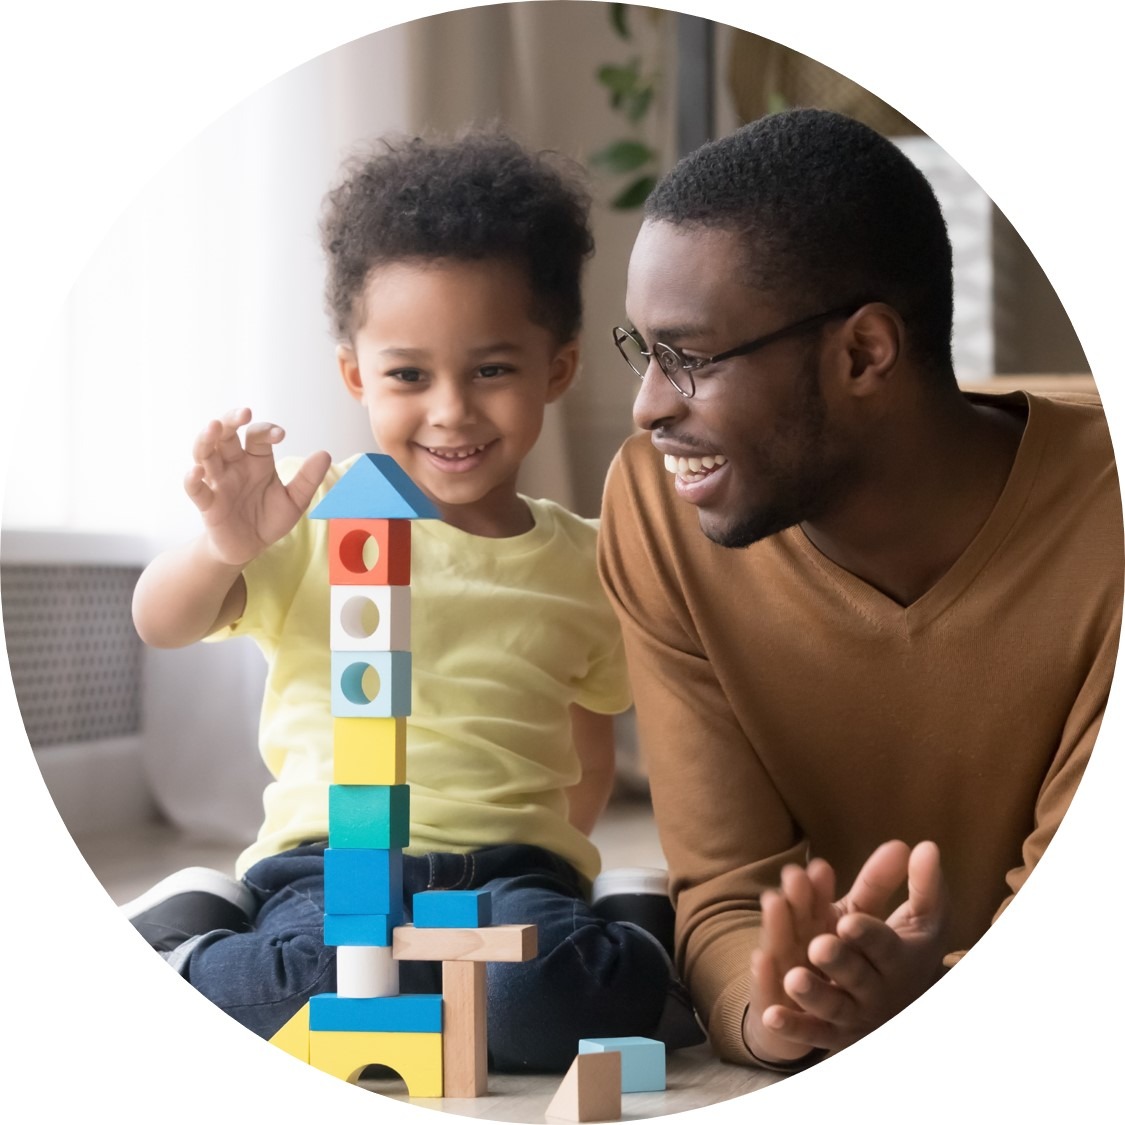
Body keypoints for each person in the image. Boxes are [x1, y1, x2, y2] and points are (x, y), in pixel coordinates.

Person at [127, 130, 703, 1072]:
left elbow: (589, 738)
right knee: (297, 994)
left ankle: (630, 923)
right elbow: (162, 619)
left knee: (542, 1006)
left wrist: (563, 859)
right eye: (407, 374)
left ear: (556, 369)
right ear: (355, 374)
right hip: (325, 866)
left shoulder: (587, 559)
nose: (450, 410)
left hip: (511, 870)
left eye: (491, 369)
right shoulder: (309, 518)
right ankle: (199, 931)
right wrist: (226, 544)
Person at [597, 107, 1122, 1073]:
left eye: (692, 358)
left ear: (863, 353)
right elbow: (720, 891)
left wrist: (936, 996)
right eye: (644, 350)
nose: (648, 406)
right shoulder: (661, 506)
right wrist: (780, 1010)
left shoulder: (1106, 520)